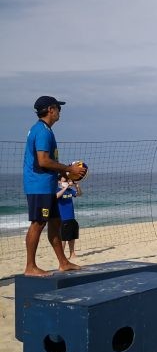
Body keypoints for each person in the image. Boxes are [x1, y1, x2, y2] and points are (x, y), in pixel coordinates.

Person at [23, 96, 87, 276]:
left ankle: (63, 262)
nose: (60, 111)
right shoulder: (42, 131)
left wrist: (64, 174)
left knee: (55, 222)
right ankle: (30, 267)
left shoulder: (45, 130)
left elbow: (49, 161)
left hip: (48, 185)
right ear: (50, 109)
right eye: (58, 107)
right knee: (38, 223)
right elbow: (43, 161)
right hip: (39, 186)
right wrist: (68, 168)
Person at [56, 176, 82, 259]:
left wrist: (77, 186)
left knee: (72, 237)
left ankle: (72, 253)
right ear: (59, 181)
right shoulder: (57, 190)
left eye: (67, 180)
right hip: (63, 218)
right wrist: (66, 186)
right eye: (65, 180)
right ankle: (61, 255)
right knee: (63, 238)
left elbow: (79, 194)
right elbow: (56, 196)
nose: (67, 181)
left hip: (71, 217)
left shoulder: (70, 190)